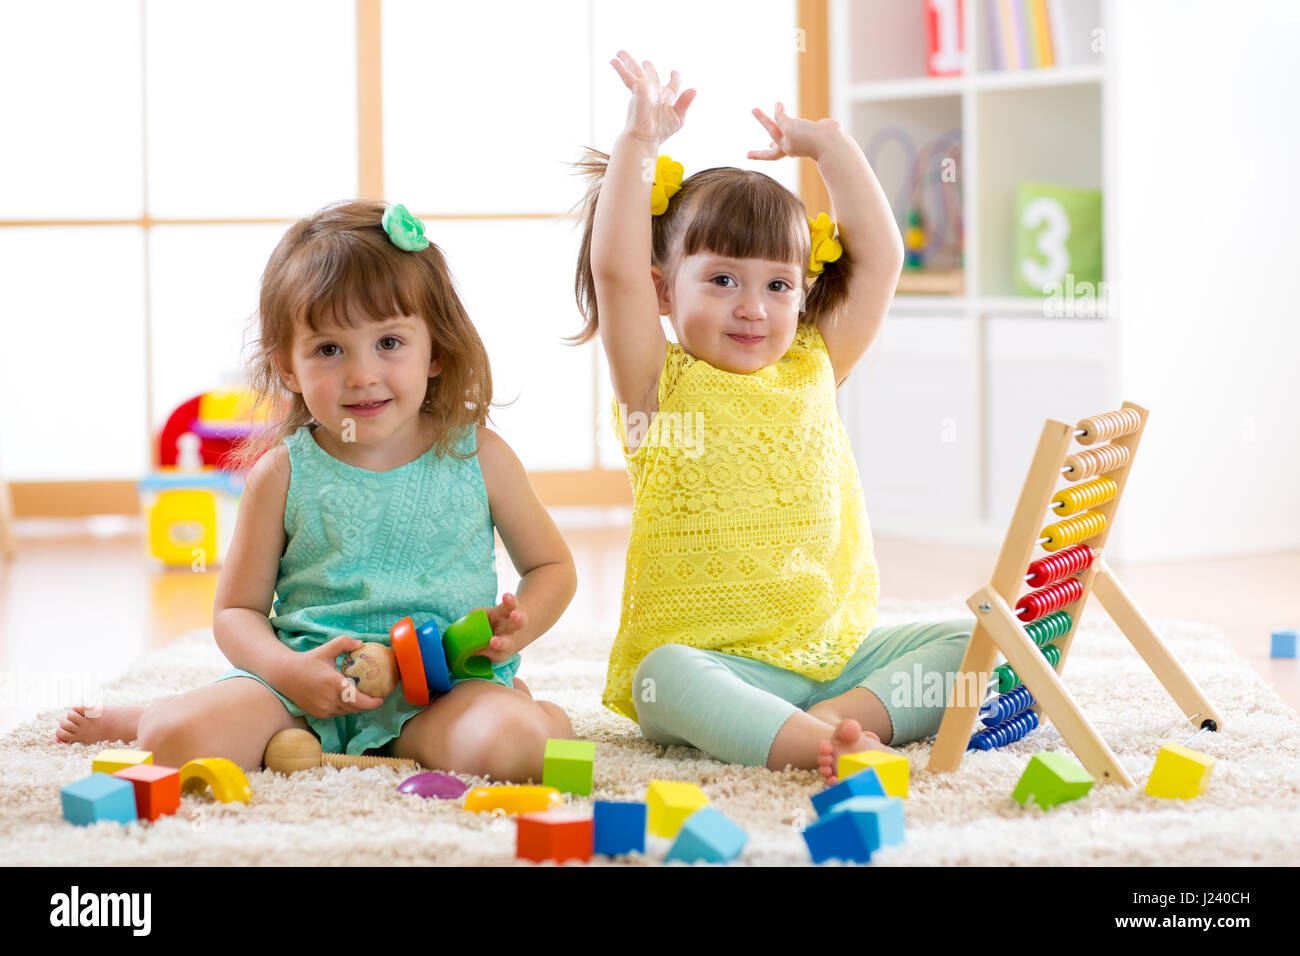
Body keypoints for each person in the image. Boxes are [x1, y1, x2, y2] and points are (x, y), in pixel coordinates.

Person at [56, 200, 577, 783]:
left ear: (436, 349)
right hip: (302, 697)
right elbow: (236, 611)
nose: (361, 374)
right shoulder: (281, 473)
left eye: (390, 343)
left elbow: (552, 566)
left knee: (516, 749)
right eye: (329, 350)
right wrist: (290, 671)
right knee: (173, 739)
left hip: (441, 691)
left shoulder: (479, 454)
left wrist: (519, 624)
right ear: (287, 368)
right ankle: (151, 714)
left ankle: (534, 716)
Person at [571, 52, 972, 784]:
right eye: (722, 280)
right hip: (709, 664)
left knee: (982, 643)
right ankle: (815, 744)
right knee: (664, 679)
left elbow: (880, 262)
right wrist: (638, 145)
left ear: (801, 293)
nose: (752, 306)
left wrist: (829, 147)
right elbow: (615, 271)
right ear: (665, 291)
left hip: (831, 655)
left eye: (777, 284)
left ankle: (825, 724)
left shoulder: (816, 363)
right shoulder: (657, 388)